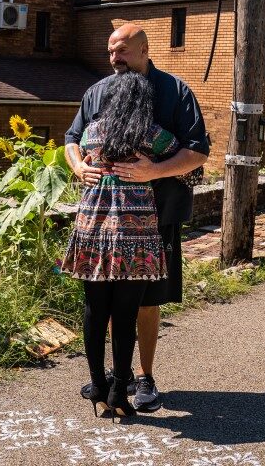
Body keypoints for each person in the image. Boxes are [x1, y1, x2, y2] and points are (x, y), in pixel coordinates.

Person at [64, 23, 209, 412]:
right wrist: (79, 167)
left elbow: (197, 152)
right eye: (111, 51)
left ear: (145, 50)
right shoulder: (97, 93)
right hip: (102, 222)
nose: (115, 58)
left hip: (157, 216)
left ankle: (144, 377)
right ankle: (116, 377)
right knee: (111, 302)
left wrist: (154, 171)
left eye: (123, 51)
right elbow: (71, 140)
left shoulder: (176, 92)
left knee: (146, 301)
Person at [61, 71, 183, 419]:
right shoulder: (152, 135)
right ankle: (119, 393)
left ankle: (98, 388)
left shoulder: (92, 132)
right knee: (125, 314)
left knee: (94, 310)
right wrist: (154, 168)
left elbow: (78, 150)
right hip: (136, 231)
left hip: (93, 227)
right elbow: (189, 164)